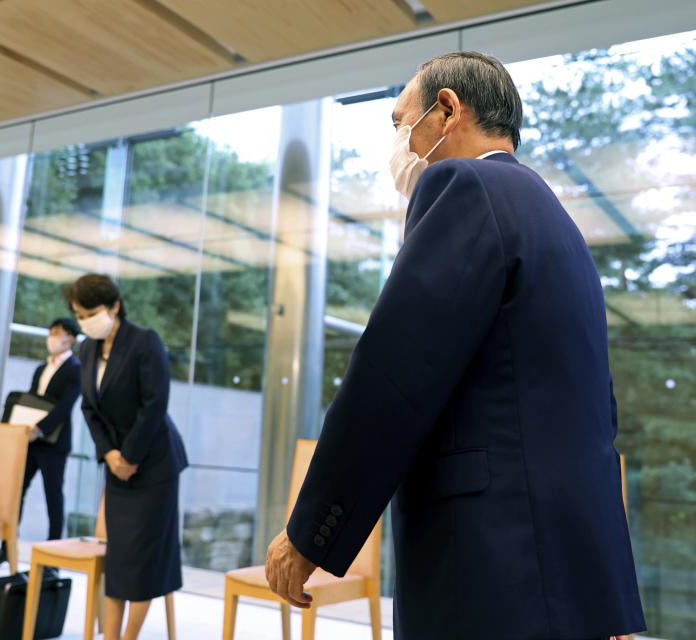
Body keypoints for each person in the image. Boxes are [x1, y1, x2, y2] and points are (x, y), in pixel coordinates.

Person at [264, 51, 646, 640]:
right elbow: (597, 414)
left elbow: (392, 375)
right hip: (566, 574)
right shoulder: (556, 221)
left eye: (398, 122)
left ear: (446, 110)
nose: (396, 142)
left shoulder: (464, 183)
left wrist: (310, 532)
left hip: (491, 563)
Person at [66, 274, 187, 640]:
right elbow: (89, 407)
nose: (85, 320)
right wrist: (111, 454)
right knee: (119, 558)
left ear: (115, 306)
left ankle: (128, 637)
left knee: (144, 560)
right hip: (118, 466)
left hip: (153, 465)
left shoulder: (144, 341)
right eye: (78, 314)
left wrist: (130, 455)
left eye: (91, 312)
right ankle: (110, 636)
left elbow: (155, 404)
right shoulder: (86, 349)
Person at [0, 318, 82, 569]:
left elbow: (65, 407)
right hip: (31, 441)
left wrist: (41, 429)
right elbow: (33, 401)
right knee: (16, 493)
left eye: (58, 333)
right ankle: (6, 548)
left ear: (70, 338)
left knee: (53, 496)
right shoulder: (41, 367)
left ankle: (53, 556)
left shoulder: (76, 368)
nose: (52, 337)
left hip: (53, 443)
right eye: (51, 332)